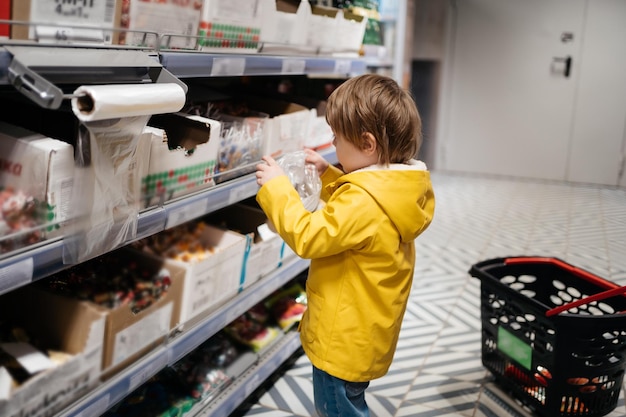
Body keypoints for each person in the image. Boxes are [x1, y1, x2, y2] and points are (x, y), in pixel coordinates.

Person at [254, 73, 435, 417]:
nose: (333, 145)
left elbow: (309, 235)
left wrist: (277, 189)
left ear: (367, 144)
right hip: (363, 334)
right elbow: (359, 207)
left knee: (338, 409)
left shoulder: (363, 204)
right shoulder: (397, 189)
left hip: (341, 340)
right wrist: (330, 174)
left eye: (337, 139)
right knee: (347, 403)